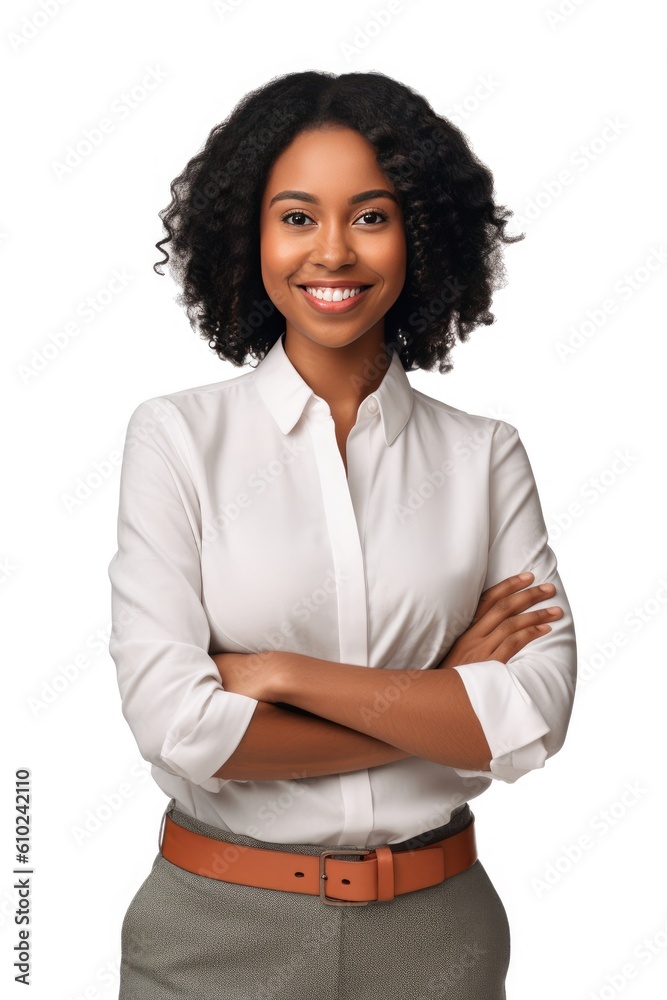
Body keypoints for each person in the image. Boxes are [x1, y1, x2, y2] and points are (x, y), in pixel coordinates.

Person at [107, 69, 577, 1000]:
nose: (333, 252)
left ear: (420, 234)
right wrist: (442, 703)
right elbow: (180, 726)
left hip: (438, 936)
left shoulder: (484, 457)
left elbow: (534, 718)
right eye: (296, 217)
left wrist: (280, 676)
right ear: (248, 234)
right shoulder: (175, 439)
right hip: (213, 932)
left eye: (370, 215)